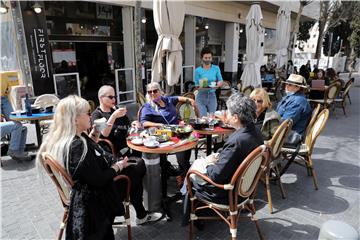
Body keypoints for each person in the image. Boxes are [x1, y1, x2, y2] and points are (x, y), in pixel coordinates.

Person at [37, 95, 161, 240]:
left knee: (136, 166)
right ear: (75, 119)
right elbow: (99, 180)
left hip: (90, 188)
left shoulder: (73, 138)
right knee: (136, 171)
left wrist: (95, 133)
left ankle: (141, 211)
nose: (91, 116)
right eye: (88, 113)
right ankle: (142, 211)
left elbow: (88, 160)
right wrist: (118, 166)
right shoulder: (76, 146)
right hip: (97, 196)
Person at [182, 93, 263, 224]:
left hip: (228, 193)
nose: (226, 115)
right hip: (245, 189)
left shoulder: (237, 141)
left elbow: (216, 177)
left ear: (236, 118)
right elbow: (234, 158)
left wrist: (206, 164)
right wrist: (220, 156)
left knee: (192, 173)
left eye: (228, 112)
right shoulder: (256, 131)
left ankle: (194, 219)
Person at [140, 82, 196, 190]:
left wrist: (190, 100)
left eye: (155, 90)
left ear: (160, 91)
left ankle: (183, 173)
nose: (152, 93)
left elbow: (180, 98)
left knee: (186, 144)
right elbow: (144, 123)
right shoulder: (148, 106)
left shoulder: (167, 100)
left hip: (178, 131)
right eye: (149, 91)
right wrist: (158, 124)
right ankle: (177, 174)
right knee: (181, 147)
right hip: (164, 135)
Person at [91, 85, 141, 157]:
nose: (114, 100)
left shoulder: (115, 109)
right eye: (111, 97)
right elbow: (105, 133)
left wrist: (133, 123)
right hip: (114, 152)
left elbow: (128, 124)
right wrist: (114, 116)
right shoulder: (96, 114)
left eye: (115, 97)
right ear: (101, 98)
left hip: (129, 143)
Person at [194, 47, 224, 117]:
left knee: (212, 118)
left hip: (212, 95)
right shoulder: (197, 70)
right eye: (206, 58)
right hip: (201, 96)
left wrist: (219, 84)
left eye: (209, 58)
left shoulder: (216, 68)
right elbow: (196, 85)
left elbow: (220, 80)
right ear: (202, 58)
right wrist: (200, 87)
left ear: (212, 58)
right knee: (203, 118)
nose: (208, 60)